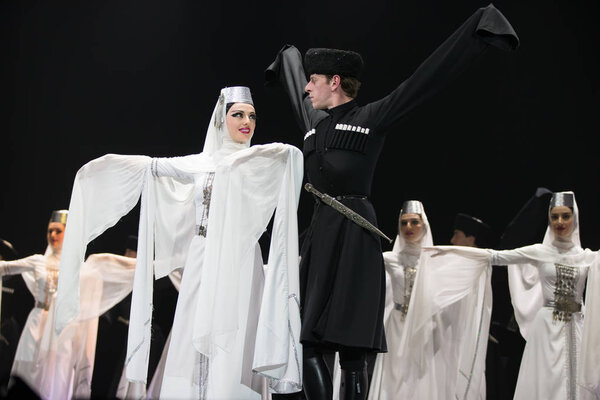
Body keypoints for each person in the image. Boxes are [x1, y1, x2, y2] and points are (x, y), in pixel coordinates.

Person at [264, 4, 519, 399]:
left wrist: (479, 32)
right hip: (319, 236)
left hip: (354, 235)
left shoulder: (370, 118)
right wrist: (285, 59)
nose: (306, 88)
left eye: (313, 81)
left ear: (334, 82)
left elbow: (423, 81)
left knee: (351, 351)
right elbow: (294, 77)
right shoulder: (313, 126)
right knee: (307, 341)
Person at [55, 86, 304, 399]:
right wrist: (102, 169)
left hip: (240, 263)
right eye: (237, 114)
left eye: (252, 116)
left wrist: (284, 153)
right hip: (202, 258)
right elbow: (151, 167)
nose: (247, 122)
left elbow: (291, 160)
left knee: (239, 337)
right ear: (220, 120)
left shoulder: (257, 163)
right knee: (192, 334)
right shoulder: (198, 164)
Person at [397, 191, 600, 399]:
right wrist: (448, 252)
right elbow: (494, 256)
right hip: (547, 329)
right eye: (554, 216)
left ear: (574, 218)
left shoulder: (588, 257)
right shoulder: (540, 251)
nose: (560, 221)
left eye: (565, 216)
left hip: (578, 326)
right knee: (546, 383)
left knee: (577, 381)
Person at [0, 210, 136, 399]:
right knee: (28, 373)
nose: (52, 235)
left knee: (57, 376)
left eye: (58, 231)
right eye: (50, 231)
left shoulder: (79, 269)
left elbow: (109, 267)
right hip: (36, 326)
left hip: (62, 331)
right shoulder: (38, 261)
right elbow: (5, 267)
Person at [365, 201, 432, 399]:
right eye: (403, 223)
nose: (408, 227)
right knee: (393, 374)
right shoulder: (389, 259)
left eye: (414, 222)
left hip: (422, 326)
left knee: (419, 374)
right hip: (396, 324)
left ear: (424, 225)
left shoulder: (434, 260)